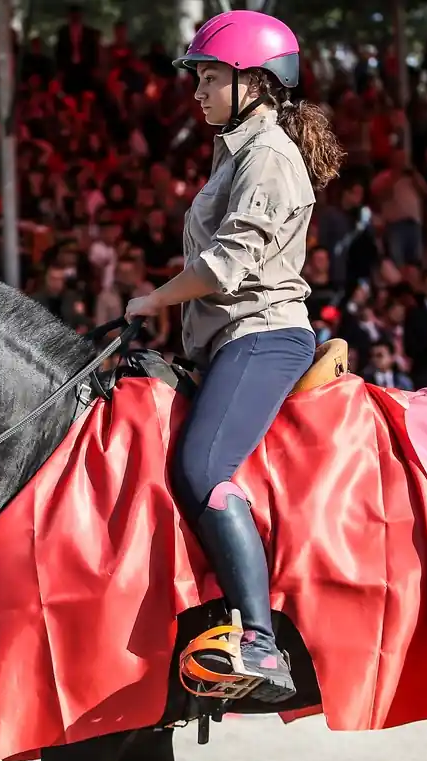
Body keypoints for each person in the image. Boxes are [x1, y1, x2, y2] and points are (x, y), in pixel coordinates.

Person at [125, 10, 344, 703]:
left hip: (265, 335)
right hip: (224, 338)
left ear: (254, 82)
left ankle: (259, 640)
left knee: (202, 466)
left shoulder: (269, 156)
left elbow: (222, 268)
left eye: (210, 78)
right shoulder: (237, 152)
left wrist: (150, 300)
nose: (198, 93)